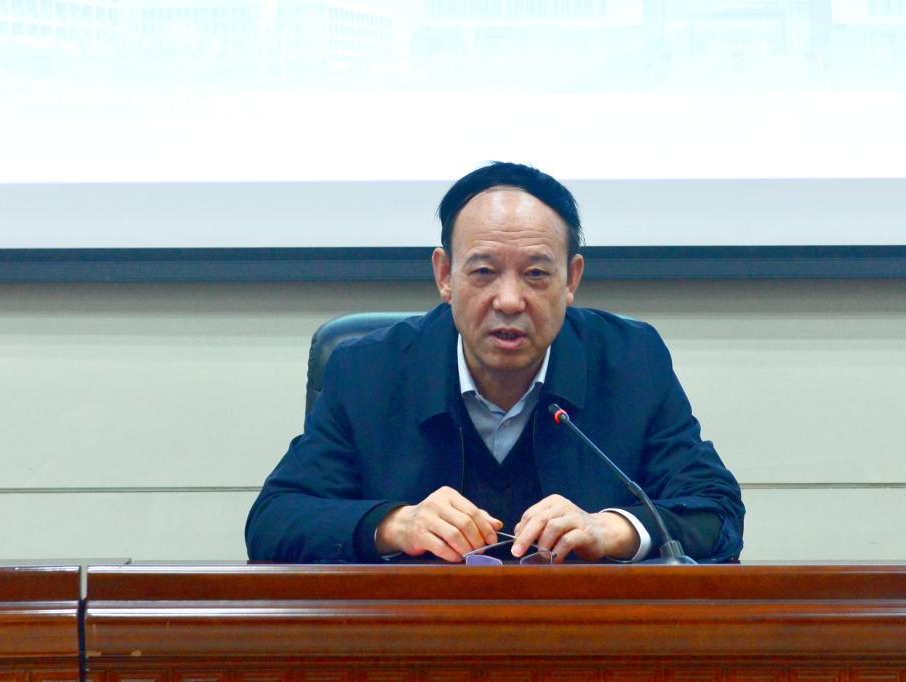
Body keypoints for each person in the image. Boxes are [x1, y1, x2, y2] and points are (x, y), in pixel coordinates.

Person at [246, 161, 744, 564]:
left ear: (571, 280)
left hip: (580, 638)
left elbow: (716, 511)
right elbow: (274, 519)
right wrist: (395, 524)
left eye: (536, 274)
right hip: (418, 638)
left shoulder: (631, 362)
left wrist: (612, 529)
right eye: (484, 271)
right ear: (445, 275)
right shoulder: (368, 371)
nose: (509, 300)